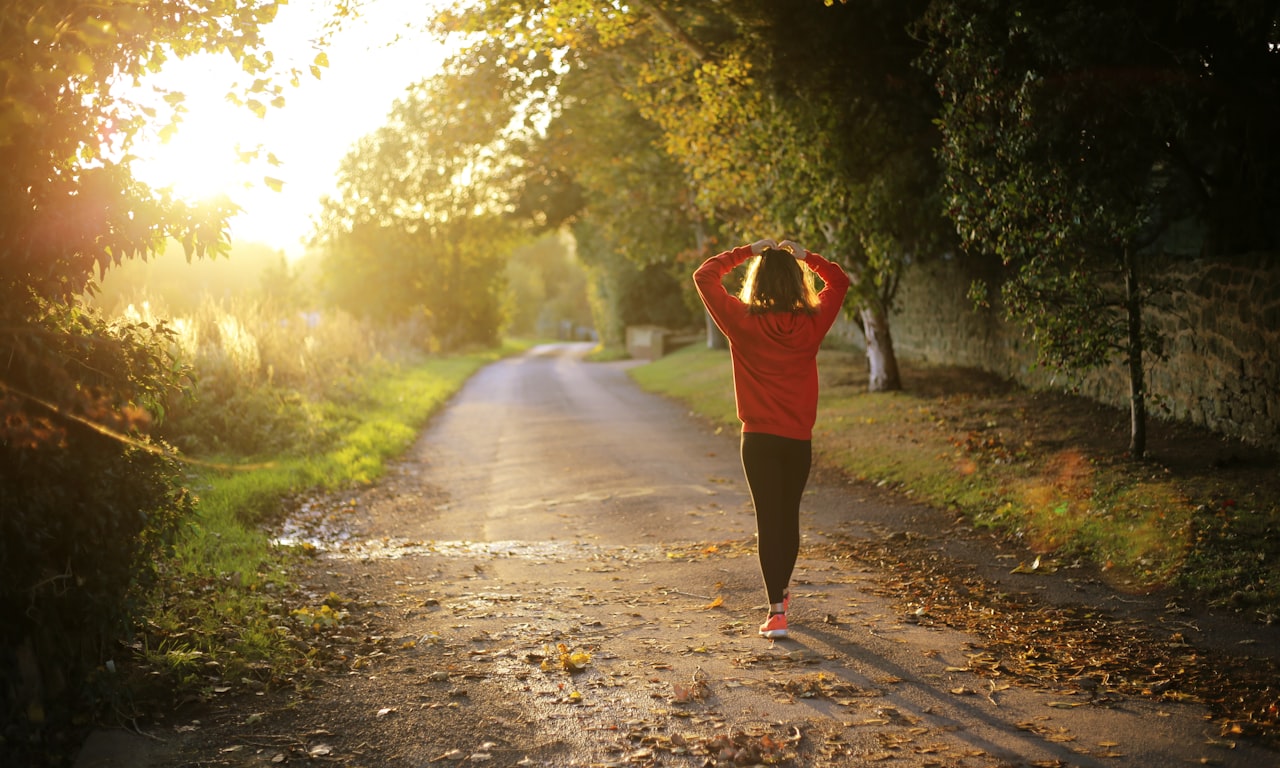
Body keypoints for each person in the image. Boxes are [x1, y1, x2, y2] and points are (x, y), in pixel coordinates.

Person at [693, 238, 851, 639]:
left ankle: (777, 611)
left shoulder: (741, 321)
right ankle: (780, 595)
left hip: (758, 440)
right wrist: (806, 257)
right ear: (797, 283)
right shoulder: (812, 322)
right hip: (797, 439)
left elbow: (704, 275)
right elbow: (840, 280)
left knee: (769, 521)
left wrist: (747, 251)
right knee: (788, 517)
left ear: (757, 282)